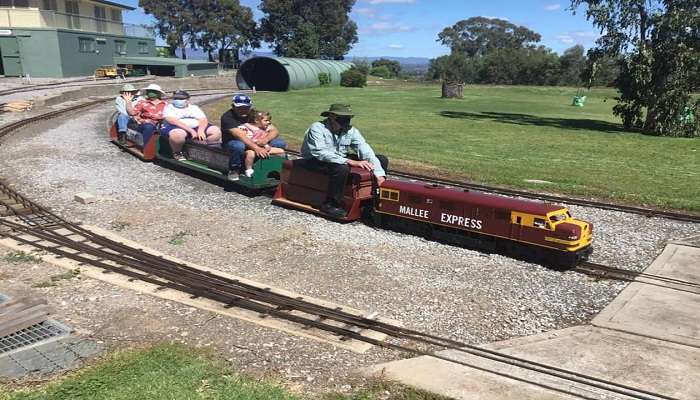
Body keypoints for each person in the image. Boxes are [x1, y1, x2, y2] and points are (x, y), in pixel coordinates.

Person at [300, 104, 388, 218]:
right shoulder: (317, 128)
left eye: (348, 118)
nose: (346, 121)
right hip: (314, 160)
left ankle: (375, 196)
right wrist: (350, 161)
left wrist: (380, 175)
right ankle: (330, 204)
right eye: (342, 118)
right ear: (332, 116)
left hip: (338, 157)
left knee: (381, 159)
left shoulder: (351, 131)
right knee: (341, 167)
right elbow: (320, 153)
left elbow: (365, 151)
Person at [220, 94, 287, 181]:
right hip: (234, 142)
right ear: (233, 106)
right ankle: (234, 170)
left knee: (280, 143)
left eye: (246, 107)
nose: (243, 110)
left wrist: (265, 140)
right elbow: (240, 136)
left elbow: (274, 130)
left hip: (255, 141)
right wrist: (256, 148)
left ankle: (270, 165)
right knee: (238, 146)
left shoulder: (254, 115)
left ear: (250, 106)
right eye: (240, 107)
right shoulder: (227, 117)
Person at [160, 90, 222, 161]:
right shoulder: (169, 107)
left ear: (187, 100)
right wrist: (191, 130)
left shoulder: (194, 108)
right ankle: (177, 152)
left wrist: (201, 130)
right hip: (176, 127)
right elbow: (172, 120)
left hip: (196, 127)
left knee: (215, 131)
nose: (178, 100)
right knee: (177, 134)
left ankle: (205, 149)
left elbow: (203, 119)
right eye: (176, 99)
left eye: (181, 99)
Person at [235, 110, 286, 177]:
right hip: (250, 148)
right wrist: (256, 143)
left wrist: (265, 144)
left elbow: (274, 132)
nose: (269, 122)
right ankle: (249, 170)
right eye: (266, 120)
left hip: (263, 148)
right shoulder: (245, 128)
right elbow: (244, 139)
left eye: (269, 120)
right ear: (256, 121)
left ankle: (279, 167)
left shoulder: (265, 127)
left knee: (280, 151)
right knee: (251, 154)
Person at [125, 83, 167, 147]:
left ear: (158, 93)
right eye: (148, 91)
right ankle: (147, 147)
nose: (149, 93)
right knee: (148, 127)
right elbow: (132, 113)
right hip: (145, 124)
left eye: (152, 91)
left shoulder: (165, 104)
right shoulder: (142, 103)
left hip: (162, 124)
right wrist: (128, 102)